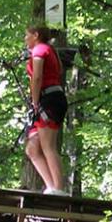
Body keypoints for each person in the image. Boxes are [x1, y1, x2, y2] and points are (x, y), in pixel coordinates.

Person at [23, 25, 69, 195]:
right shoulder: (50, 51)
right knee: (32, 149)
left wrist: (35, 102)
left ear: (36, 35)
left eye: (27, 35)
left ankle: (59, 189)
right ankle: (52, 188)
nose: (25, 39)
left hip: (48, 100)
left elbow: (37, 77)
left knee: (48, 145)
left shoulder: (40, 49)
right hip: (48, 100)